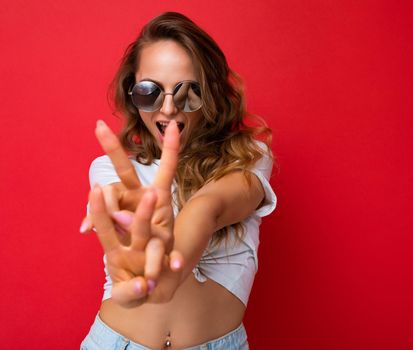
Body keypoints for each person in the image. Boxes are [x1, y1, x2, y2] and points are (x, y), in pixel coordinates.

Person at [79, 12, 276, 350]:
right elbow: (125, 216)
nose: (168, 108)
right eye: (148, 91)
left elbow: (207, 208)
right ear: (132, 94)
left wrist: (171, 265)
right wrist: (135, 226)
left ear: (211, 94)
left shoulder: (249, 157)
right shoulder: (109, 168)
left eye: (187, 92)